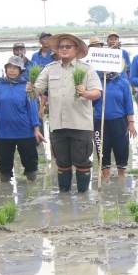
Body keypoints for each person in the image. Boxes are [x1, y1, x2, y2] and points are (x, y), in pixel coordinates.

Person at [34, 33, 102, 193]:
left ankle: (83, 198)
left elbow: (97, 93)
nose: (64, 49)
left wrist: (85, 93)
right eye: (61, 47)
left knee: (82, 162)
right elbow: (37, 88)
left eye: (68, 46)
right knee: (62, 163)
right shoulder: (50, 69)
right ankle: (64, 197)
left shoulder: (86, 69)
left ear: (76, 49)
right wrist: (31, 89)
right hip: (58, 124)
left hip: (80, 124)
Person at [0, 56, 45, 182]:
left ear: (21, 70)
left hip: (25, 132)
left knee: (31, 164)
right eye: (9, 67)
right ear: (6, 69)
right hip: (4, 132)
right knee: (4, 165)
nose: (12, 70)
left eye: (15, 68)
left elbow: (33, 109)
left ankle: (32, 190)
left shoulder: (27, 87)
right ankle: (5, 193)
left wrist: (36, 128)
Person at [93, 71, 137, 179]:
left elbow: (129, 104)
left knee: (121, 150)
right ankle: (106, 179)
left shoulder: (123, 82)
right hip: (100, 121)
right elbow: (89, 102)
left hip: (119, 122)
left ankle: (121, 179)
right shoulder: (95, 81)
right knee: (102, 151)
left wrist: (131, 123)